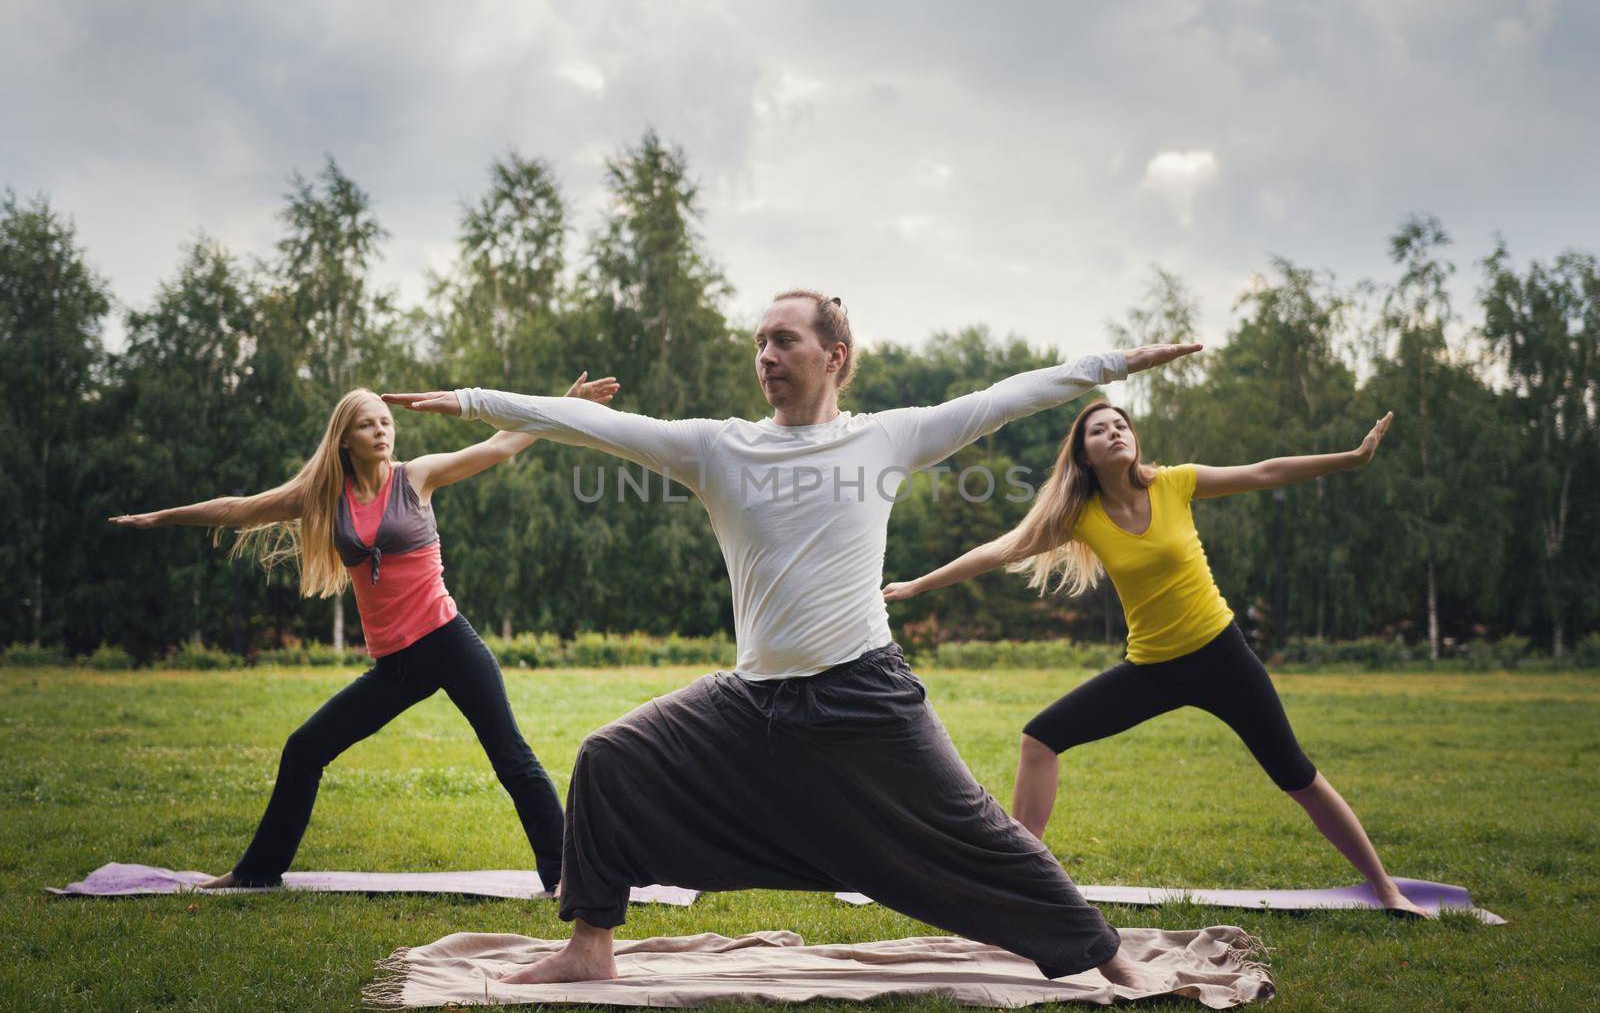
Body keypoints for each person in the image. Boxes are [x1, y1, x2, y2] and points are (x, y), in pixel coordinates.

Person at [385, 290, 1200, 986]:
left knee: (977, 831)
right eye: (759, 343)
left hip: (865, 693)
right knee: (609, 757)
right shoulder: (717, 447)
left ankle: (1105, 955)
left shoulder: (888, 436)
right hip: (753, 702)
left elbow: (1013, 395)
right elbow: (590, 427)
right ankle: (589, 946)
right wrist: (471, 399)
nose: (765, 354)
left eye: (784, 339)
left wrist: (1116, 364)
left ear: (834, 355)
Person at [883, 399, 1427, 916]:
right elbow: (998, 550)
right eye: (1099, 430)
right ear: (1084, 455)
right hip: (1152, 669)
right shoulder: (1080, 517)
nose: (1114, 432)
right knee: (1039, 738)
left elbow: (1264, 471)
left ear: (1134, 440)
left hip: (1223, 657)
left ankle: (1385, 888)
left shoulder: (1175, 483)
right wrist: (918, 586)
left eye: (1121, 425)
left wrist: (1352, 457)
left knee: (1297, 776)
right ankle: (1024, 886)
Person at [110, 373, 618, 892]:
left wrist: (565, 403)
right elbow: (241, 509)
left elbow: (502, 444)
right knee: (304, 749)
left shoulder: (416, 477)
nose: (381, 432)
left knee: (513, 759)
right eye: (367, 424)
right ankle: (256, 873)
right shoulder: (325, 498)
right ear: (344, 438)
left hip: (448, 642)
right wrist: (162, 517)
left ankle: (566, 879)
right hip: (395, 664)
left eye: (385, 422)